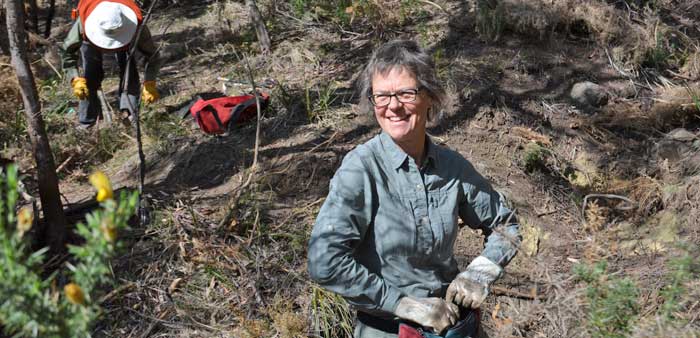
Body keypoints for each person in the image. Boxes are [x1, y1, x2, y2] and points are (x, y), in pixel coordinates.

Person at [307, 40, 521, 338]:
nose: (393, 106)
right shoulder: (361, 169)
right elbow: (324, 261)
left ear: (429, 97)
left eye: (406, 93)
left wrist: (481, 272)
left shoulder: (451, 166)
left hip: (457, 328)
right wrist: (402, 304)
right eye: (381, 96)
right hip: (389, 330)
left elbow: (506, 226)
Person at [61, 0, 161, 128]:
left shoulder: (135, 23)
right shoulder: (84, 23)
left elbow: (152, 55)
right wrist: (74, 78)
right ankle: (87, 122)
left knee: (129, 71)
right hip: (89, 37)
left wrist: (150, 82)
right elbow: (67, 52)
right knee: (90, 74)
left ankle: (130, 113)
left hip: (126, 35)